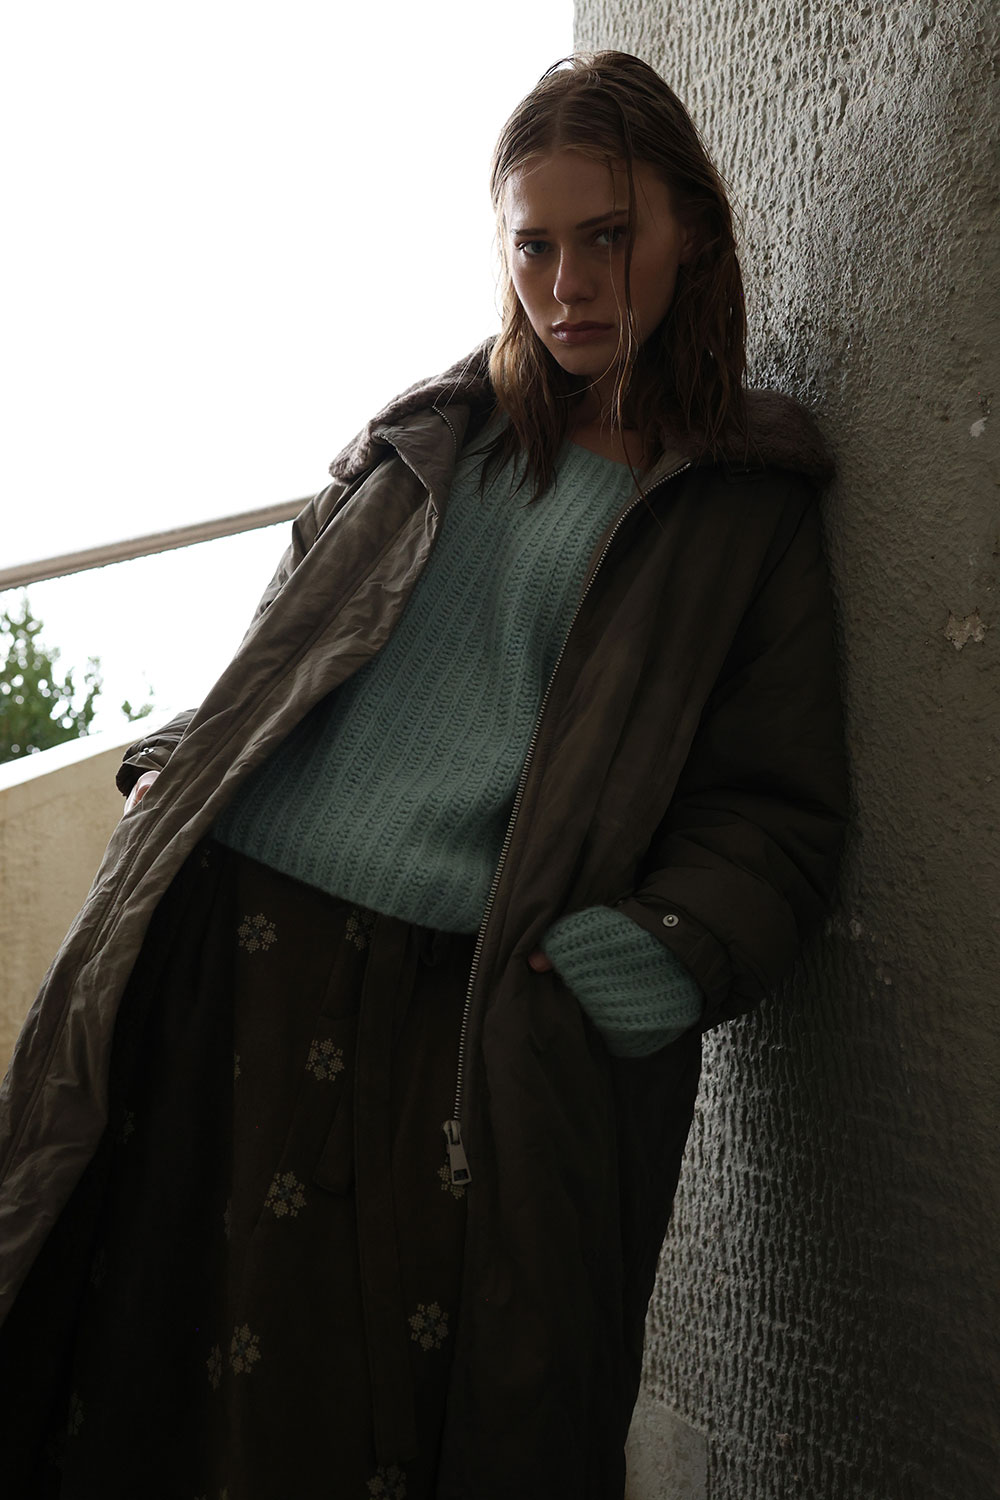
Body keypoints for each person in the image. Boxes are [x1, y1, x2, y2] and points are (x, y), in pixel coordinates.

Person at [0, 50, 847, 1500]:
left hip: (461, 1008)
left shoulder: (738, 504)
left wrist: (650, 957)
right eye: (535, 245)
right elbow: (288, 655)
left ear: (692, 232)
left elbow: (778, 812)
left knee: (376, 1423)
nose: (568, 285)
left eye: (608, 236)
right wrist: (173, 768)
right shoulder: (431, 436)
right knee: (149, 1368)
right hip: (228, 940)